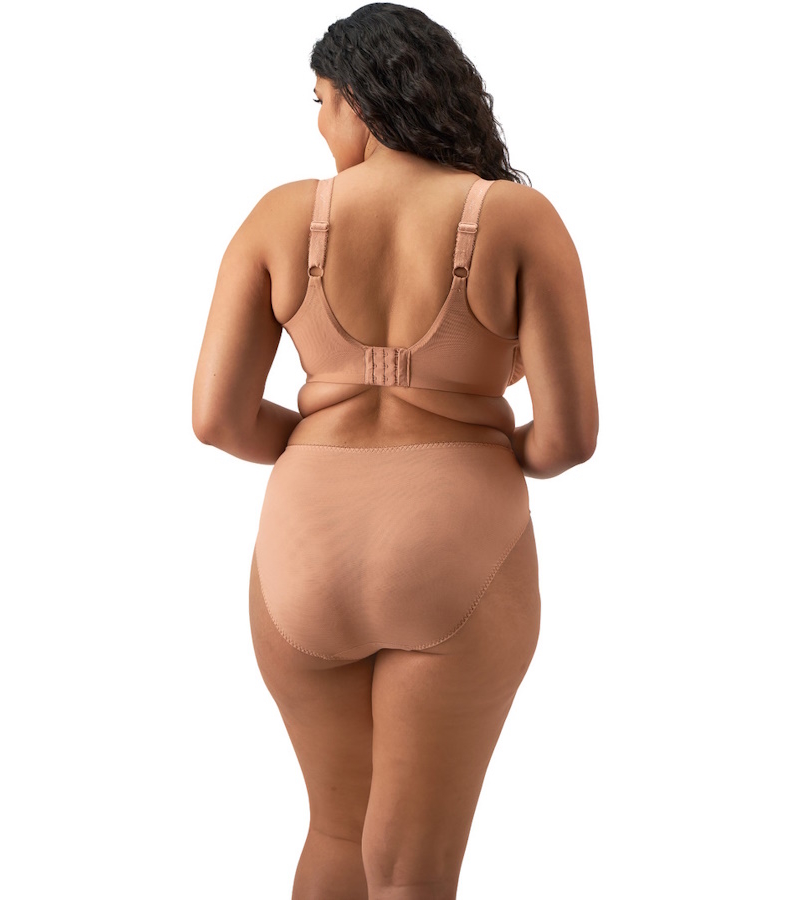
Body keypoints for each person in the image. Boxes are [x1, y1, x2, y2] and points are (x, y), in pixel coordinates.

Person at [192, 3, 598, 896]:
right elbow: (569, 438)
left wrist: (320, 441)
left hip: (306, 548)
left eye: (320, 102)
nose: (320, 125)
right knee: (413, 871)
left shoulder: (280, 217)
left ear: (358, 99)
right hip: (457, 544)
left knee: (337, 834)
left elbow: (218, 419)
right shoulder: (517, 218)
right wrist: (492, 446)